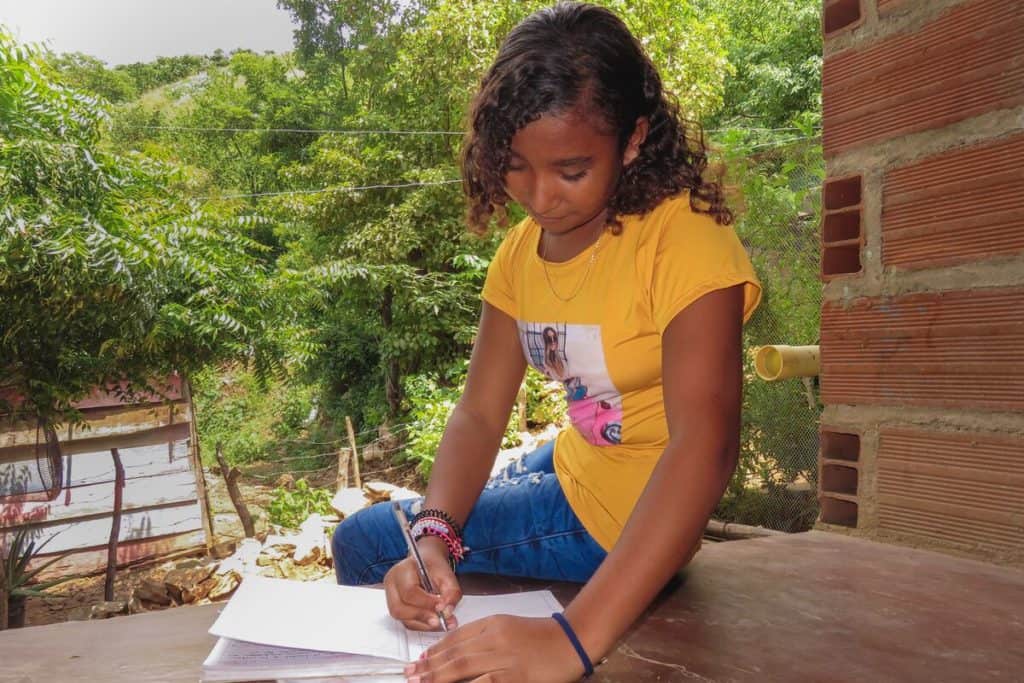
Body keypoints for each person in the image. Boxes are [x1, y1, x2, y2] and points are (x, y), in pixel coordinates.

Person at [332, 3, 762, 681]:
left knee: (361, 539)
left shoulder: (685, 238)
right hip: (575, 461)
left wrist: (571, 639)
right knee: (425, 531)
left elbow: (706, 445)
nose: (540, 197)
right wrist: (436, 533)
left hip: (624, 515)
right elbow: (478, 412)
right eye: (515, 167)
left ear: (631, 139)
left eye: (569, 170)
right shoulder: (522, 252)